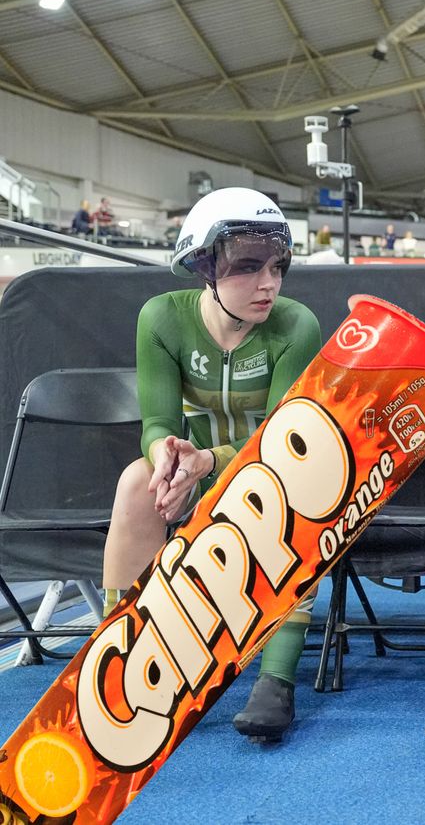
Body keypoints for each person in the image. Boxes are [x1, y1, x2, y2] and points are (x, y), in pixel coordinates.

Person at [101, 187, 323, 744]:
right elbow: (156, 424)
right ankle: (114, 651)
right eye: (248, 267)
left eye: (277, 267)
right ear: (204, 265)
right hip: (197, 474)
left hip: (269, 482)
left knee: (304, 490)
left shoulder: (297, 326)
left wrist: (206, 462)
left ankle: (276, 679)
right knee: (135, 482)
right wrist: (166, 462)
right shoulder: (161, 318)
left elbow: (278, 439)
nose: (268, 283)